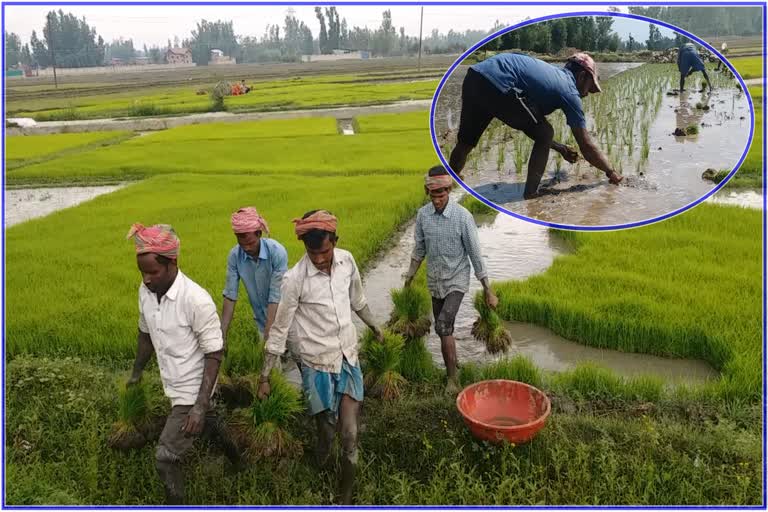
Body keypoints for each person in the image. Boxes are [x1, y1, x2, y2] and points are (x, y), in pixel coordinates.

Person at [257, 210, 384, 505]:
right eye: (312, 252)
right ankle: (321, 463)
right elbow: (280, 328)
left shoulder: (347, 261)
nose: (318, 259)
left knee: (350, 434)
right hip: (316, 365)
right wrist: (265, 376)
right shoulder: (294, 279)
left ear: (335, 241)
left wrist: (375, 327)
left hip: (348, 358)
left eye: (324, 251)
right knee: (326, 428)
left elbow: (358, 300)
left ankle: (345, 496)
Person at [126, 223, 236, 505]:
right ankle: (239, 460)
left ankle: (175, 503)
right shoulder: (146, 291)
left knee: (165, 457)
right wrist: (136, 373)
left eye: (153, 272)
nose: (147, 279)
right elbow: (145, 333)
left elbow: (214, 353)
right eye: (143, 272)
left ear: (173, 262)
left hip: (192, 388)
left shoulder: (196, 300)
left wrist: (198, 405)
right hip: (172, 382)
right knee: (210, 425)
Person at [449, 52, 623, 199]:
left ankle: (449, 184)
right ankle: (531, 193)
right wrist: (610, 172)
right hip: (500, 82)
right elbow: (585, 144)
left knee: (466, 142)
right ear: (582, 76)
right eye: (589, 87)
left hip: (476, 76)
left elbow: (526, 122)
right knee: (546, 132)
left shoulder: (551, 76)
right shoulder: (569, 91)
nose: (587, 94)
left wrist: (560, 148)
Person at [403, 166, 499, 394]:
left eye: (441, 195)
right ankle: (453, 362)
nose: (437, 200)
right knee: (443, 330)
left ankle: (452, 380)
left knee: (443, 324)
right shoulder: (423, 215)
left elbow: (475, 254)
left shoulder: (462, 217)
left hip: (457, 279)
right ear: (428, 193)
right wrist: (408, 278)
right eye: (433, 196)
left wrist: (488, 288)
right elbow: (419, 250)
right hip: (435, 281)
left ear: (448, 191)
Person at [221, 207, 288, 344]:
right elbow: (230, 295)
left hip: (286, 320)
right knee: (269, 364)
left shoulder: (276, 252)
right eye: (242, 244)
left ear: (259, 234)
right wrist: (221, 336)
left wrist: (269, 337)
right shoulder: (235, 256)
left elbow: (275, 296)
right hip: (261, 322)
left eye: (250, 243)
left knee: (292, 362)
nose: (247, 248)